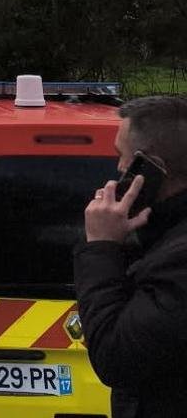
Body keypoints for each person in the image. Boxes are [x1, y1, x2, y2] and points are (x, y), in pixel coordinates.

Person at [74, 95, 187, 417]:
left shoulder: (179, 261)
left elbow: (117, 358)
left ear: (150, 168)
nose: (118, 170)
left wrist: (101, 245)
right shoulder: (167, 234)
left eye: (120, 156)